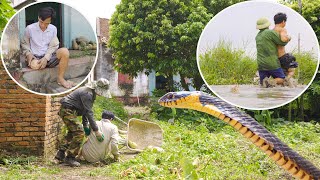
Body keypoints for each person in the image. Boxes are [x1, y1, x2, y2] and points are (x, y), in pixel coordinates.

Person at [55, 78, 112, 167]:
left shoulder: (91, 93)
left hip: (69, 110)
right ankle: (70, 157)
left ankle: (60, 154)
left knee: (73, 132)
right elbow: (89, 113)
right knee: (79, 133)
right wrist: (96, 131)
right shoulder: (88, 94)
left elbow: (85, 111)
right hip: (67, 110)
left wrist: (85, 125)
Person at [21, 7, 73, 89]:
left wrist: (46, 58)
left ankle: (60, 78)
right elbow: (25, 43)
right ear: (38, 17)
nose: (43, 25)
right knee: (35, 65)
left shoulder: (53, 29)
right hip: (35, 57)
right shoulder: (29, 29)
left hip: (49, 56)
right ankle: (38, 63)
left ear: (50, 21)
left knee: (65, 51)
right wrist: (28, 54)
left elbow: (54, 45)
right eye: (41, 22)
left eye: (46, 23)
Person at [255, 17, 288, 87]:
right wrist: (289, 38)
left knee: (262, 85)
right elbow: (282, 42)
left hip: (261, 64)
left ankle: (266, 83)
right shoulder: (270, 32)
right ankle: (270, 82)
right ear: (267, 25)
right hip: (272, 62)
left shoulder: (257, 36)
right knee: (282, 79)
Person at [273, 12, 298, 87]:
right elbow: (283, 39)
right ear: (283, 21)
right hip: (283, 56)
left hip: (275, 57)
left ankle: (280, 83)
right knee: (292, 70)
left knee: (282, 73)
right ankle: (286, 80)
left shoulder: (272, 31)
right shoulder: (282, 29)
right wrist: (289, 37)